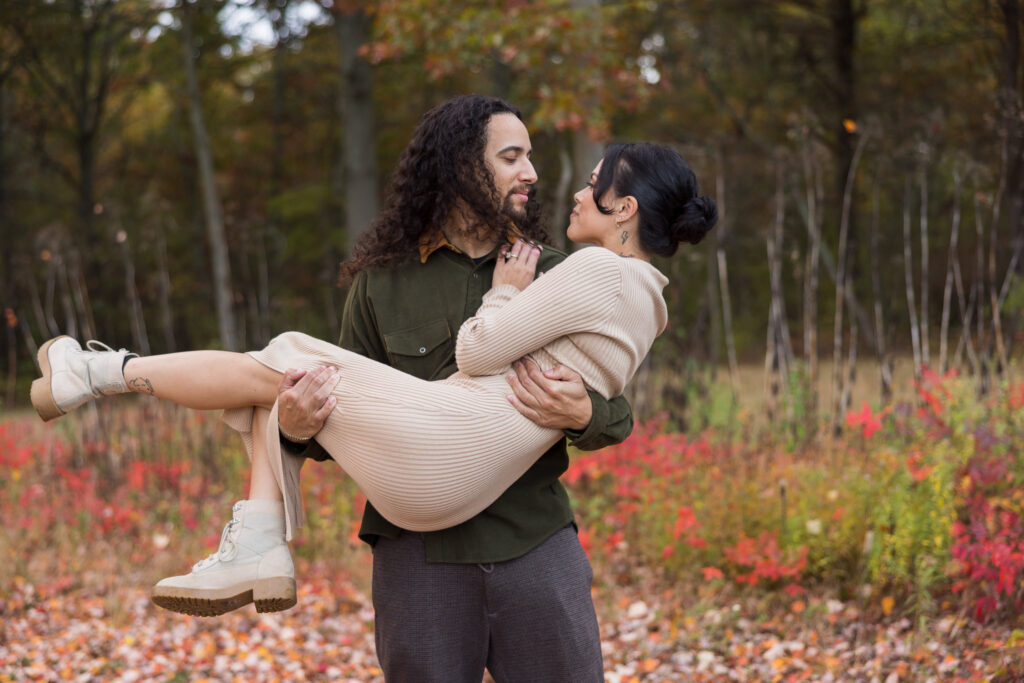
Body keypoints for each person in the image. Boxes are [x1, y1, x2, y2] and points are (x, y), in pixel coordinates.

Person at [32, 102, 716, 682]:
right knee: (283, 377)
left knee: (280, 358)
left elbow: (614, 402)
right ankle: (227, 507)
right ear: (461, 168)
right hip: (416, 554)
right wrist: (297, 426)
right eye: (512, 157)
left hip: (533, 540)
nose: (532, 174)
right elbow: (335, 424)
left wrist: (588, 411)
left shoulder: (562, 268)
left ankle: (117, 391)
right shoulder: (381, 282)